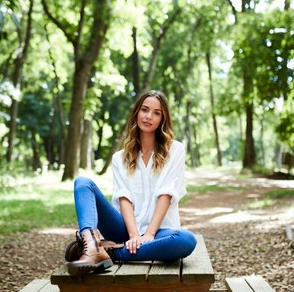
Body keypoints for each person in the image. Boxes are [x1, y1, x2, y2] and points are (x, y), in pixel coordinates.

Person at [66, 90, 197, 276]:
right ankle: (92, 245)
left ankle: (112, 252)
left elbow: (166, 194)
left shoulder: (175, 150)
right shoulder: (119, 158)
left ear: (163, 119)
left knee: (186, 240)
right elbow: (124, 198)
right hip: (123, 229)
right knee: (83, 183)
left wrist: (149, 235)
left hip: (160, 232)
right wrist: (134, 235)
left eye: (156, 113)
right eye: (144, 110)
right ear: (137, 113)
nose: (149, 116)